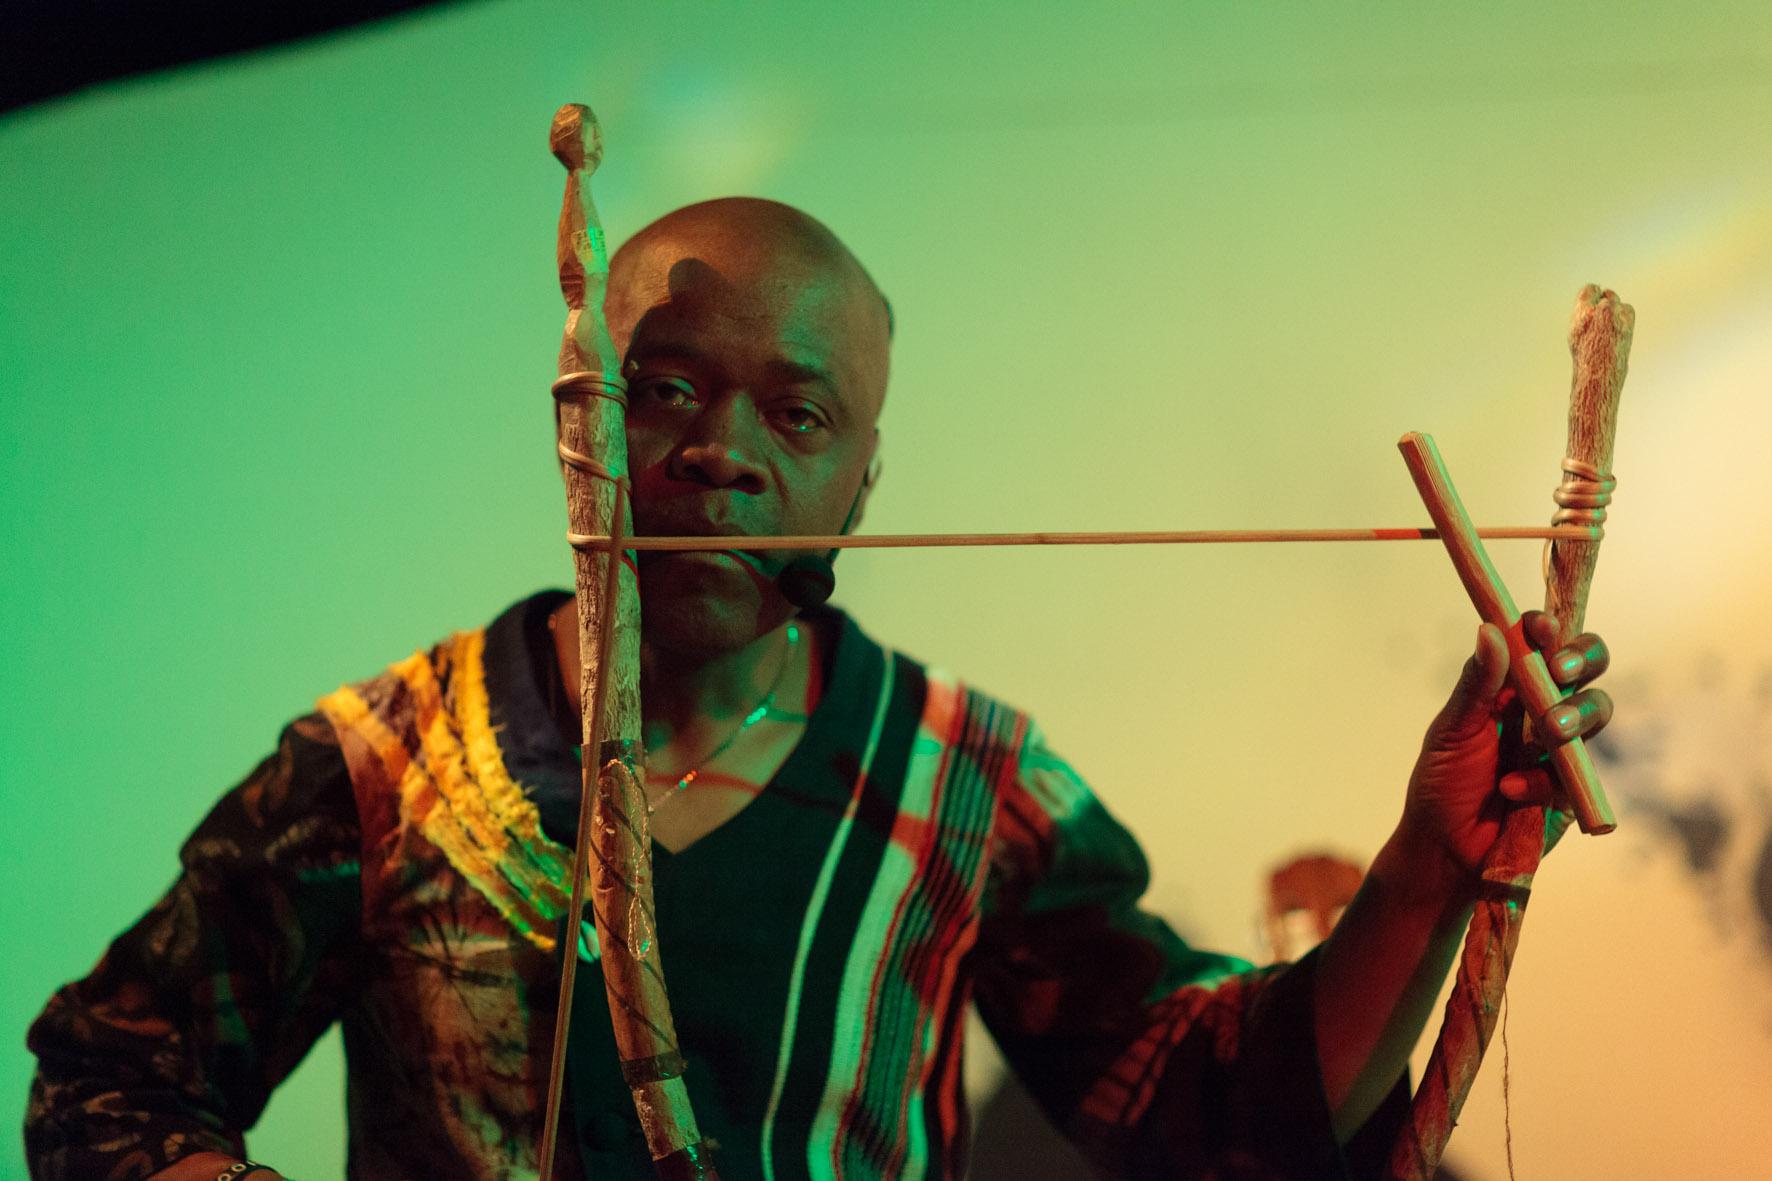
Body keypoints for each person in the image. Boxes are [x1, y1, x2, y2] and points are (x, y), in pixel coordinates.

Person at [24, 198, 1613, 1180]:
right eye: (663, 392)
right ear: (581, 431)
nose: (722, 452)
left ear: (861, 482)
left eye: (797, 413)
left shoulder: (963, 781)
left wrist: (1422, 868)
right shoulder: (385, 762)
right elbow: (107, 1081)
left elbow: (1212, 1113)